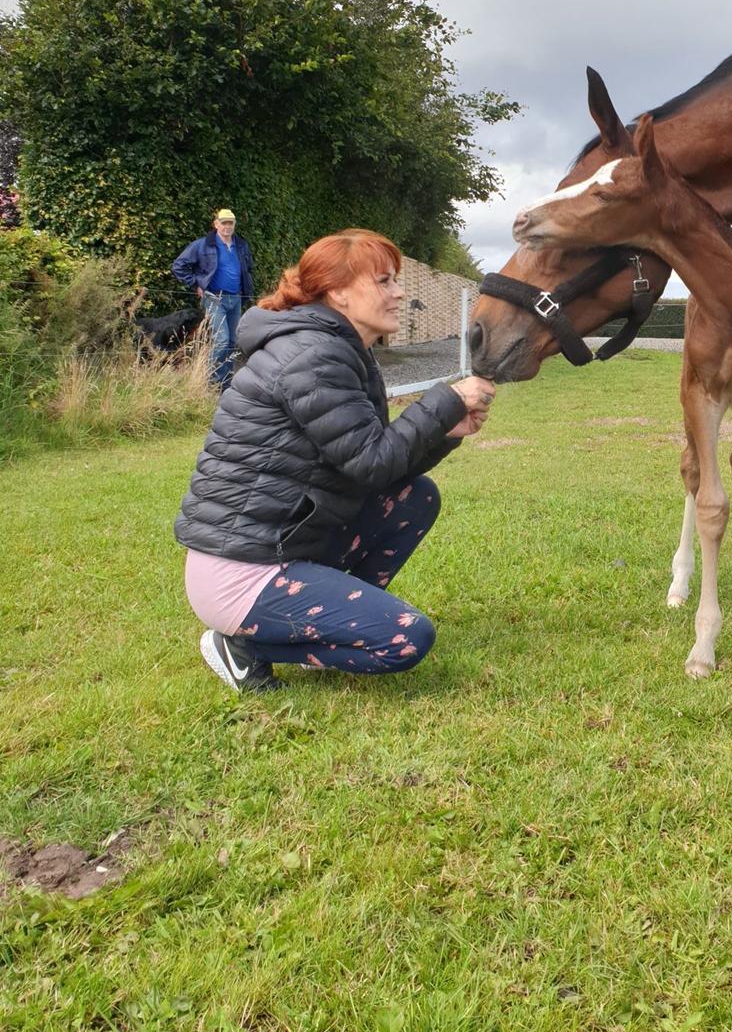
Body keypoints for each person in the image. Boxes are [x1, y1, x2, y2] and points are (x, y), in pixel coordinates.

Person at [174, 227, 495, 693]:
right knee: (406, 638)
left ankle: (321, 623)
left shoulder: (338, 350)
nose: (399, 292)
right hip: (241, 570)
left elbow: (375, 467)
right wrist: (444, 399)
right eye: (384, 281)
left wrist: (443, 431)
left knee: (412, 497)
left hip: (282, 544)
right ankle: (241, 646)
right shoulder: (311, 356)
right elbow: (371, 462)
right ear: (339, 293)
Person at [171, 208, 255, 389]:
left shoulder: (241, 245)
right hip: (214, 298)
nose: (227, 226)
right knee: (222, 339)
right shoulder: (203, 245)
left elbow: (247, 269)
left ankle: (224, 383)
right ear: (216, 224)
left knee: (232, 341)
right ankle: (207, 380)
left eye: (230, 223)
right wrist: (196, 284)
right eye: (223, 222)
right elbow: (179, 266)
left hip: (236, 299)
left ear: (234, 225)